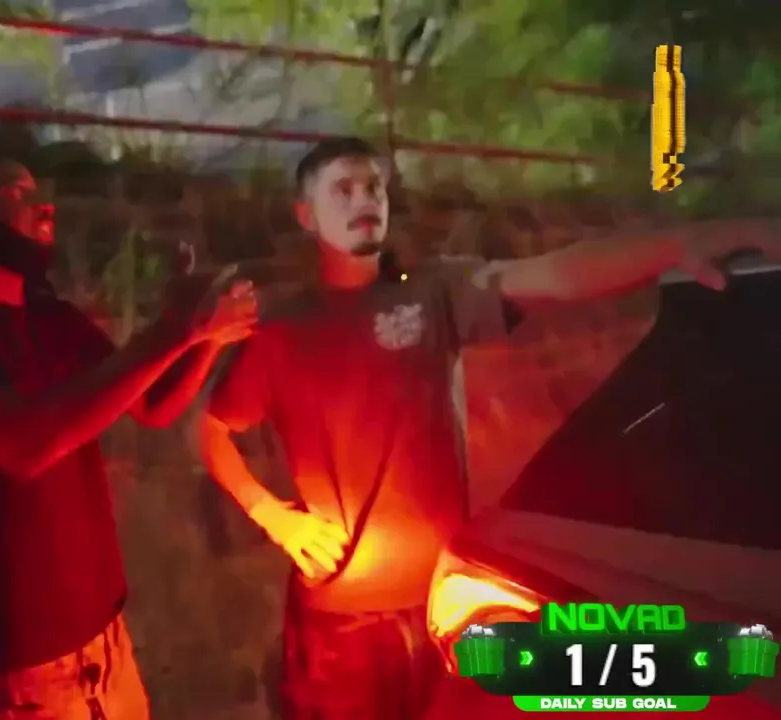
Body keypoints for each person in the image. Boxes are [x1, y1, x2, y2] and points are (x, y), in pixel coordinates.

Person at [195, 136, 781, 720]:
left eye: (373, 187)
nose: (363, 200)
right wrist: (273, 515)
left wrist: (678, 245)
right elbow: (212, 427)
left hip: (445, 599)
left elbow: (554, 275)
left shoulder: (432, 294)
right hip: (341, 621)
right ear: (306, 215)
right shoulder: (282, 329)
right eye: (342, 190)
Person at [0, 146, 257, 719]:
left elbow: (154, 406)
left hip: (104, 636)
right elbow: (26, 446)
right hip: (24, 666)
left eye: (38, 192)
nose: (42, 207)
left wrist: (204, 338)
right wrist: (175, 331)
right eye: (15, 194)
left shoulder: (54, 318)